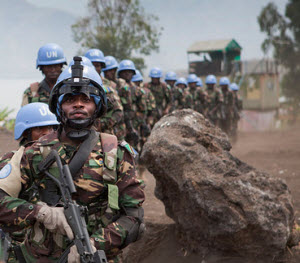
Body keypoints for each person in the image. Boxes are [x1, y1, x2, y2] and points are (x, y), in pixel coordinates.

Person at [0, 57, 145, 263]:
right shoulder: (33, 153)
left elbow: (134, 217)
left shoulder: (117, 154)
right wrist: (40, 213)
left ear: (98, 106)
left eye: (86, 100)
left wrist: (95, 244)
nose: (78, 105)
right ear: (58, 106)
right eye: (69, 100)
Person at [0, 103, 59, 262]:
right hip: (20, 244)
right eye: (39, 129)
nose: (46, 134)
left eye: (51, 129)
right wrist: (38, 212)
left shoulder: (61, 162)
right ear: (26, 133)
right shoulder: (12, 160)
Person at [84, 51, 126, 141]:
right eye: (92, 65)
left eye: (97, 66)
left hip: (104, 136)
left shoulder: (109, 86)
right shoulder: (77, 84)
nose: (94, 68)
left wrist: (103, 124)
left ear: (102, 67)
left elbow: (118, 111)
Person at [116, 60, 141, 148]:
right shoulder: (116, 86)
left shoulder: (137, 90)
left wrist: (136, 123)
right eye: (124, 72)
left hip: (133, 122)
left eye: (129, 72)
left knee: (133, 148)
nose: (127, 74)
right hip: (119, 123)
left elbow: (142, 109)